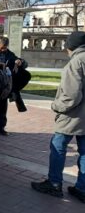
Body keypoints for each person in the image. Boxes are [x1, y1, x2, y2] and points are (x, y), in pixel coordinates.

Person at [31, 31, 85, 203]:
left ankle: (54, 183)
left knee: (58, 146)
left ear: (71, 46)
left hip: (72, 116)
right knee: (84, 152)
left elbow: (71, 95)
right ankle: (82, 188)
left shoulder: (76, 62)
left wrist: (56, 106)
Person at [0, 36, 28, 136]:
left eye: (6, 47)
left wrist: (20, 62)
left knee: (2, 109)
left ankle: (0, 128)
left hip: (4, 87)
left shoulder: (9, 54)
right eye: (2, 47)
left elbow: (23, 63)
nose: (4, 49)